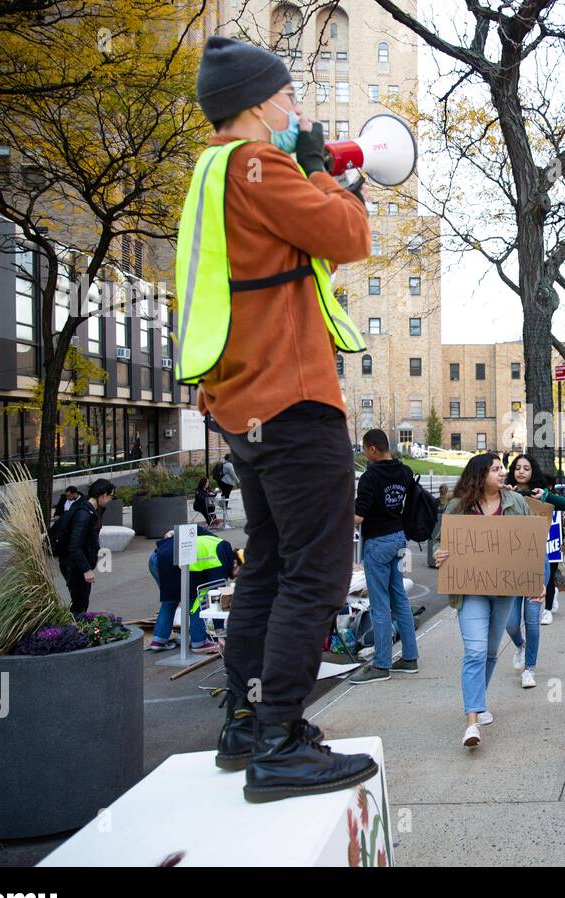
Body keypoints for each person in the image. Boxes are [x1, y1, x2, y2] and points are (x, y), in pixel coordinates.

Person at [182, 35, 377, 799]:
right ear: (261, 103)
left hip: (243, 402)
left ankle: (245, 721)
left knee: (267, 561)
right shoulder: (257, 165)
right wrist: (328, 172)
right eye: (290, 94)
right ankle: (283, 739)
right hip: (291, 400)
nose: (298, 106)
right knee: (318, 569)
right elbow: (349, 236)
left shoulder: (210, 172)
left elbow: (287, 266)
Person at [432, 453, 538, 747]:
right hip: (471, 590)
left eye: (502, 469)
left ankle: (478, 703)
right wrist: (439, 554)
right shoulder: (458, 507)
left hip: (504, 590)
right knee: (476, 652)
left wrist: (535, 582)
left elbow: (530, 545)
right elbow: (438, 544)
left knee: (491, 651)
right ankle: (471, 722)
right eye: (496, 469)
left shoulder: (516, 503)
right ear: (480, 475)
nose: (503, 473)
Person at [349, 429, 421, 684]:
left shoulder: (370, 477)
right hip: (399, 537)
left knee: (379, 605)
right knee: (399, 599)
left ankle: (381, 664)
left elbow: (358, 517)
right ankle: (409, 657)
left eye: (364, 449)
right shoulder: (404, 471)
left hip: (378, 542)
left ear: (371, 449)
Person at [506, 452, 565, 648]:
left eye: (526, 468)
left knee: (531, 619)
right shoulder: (504, 492)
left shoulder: (540, 492)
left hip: (537, 560)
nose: (521, 472)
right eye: (517, 468)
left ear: (533, 472)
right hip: (509, 562)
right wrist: (505, 495)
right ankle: (519, 645)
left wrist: (547, 496)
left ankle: (530, 666)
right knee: (510, 623)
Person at [147, 527, 238, 653]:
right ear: (235, 563)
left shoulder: (219, 542)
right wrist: (219, 634)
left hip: (156, 559)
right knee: (197, 600)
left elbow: (197, 529)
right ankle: (199, 642)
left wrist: (175, 531)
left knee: (171, 600)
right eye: (240, 573)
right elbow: (215, 601)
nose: (236, 577)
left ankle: (159, 640)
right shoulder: (221, 566)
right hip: (174, 563)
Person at [59, 478, 115, 614]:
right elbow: (74, 545)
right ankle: (71, 631)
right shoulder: (84, 514)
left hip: (78, 563)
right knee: (80, 603)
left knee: (81, 602)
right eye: (110, 495)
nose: (111, 499)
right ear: (102, 495)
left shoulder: (91, 510)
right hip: (75, 565)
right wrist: (86, 569)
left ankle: (75, 630)